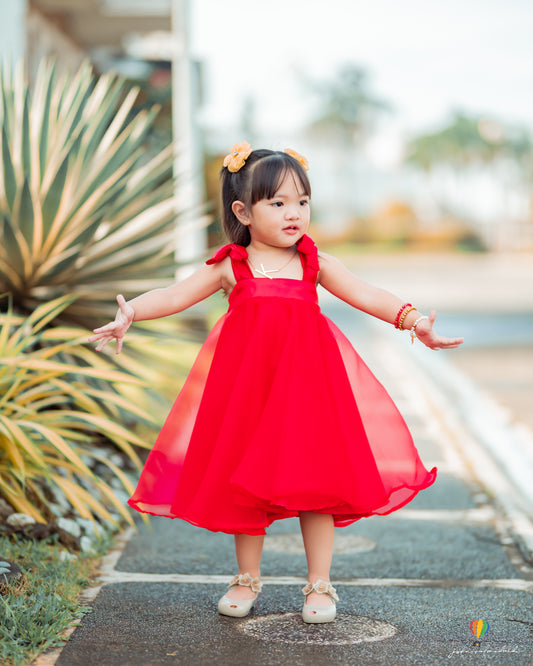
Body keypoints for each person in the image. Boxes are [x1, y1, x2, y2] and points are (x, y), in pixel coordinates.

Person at [90, 142, 464, 624]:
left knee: (317, 482)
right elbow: (176, 293)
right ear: (243, 211)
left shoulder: (314, 263)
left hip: (309, 393)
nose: (295, 214)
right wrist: (132, 312)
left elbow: (366, 293)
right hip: (247, 393)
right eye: (279, 203)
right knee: (244, 483)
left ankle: (320, 583)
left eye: (302, 202)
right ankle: (247, 577)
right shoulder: (231, 265)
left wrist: (412, 320)